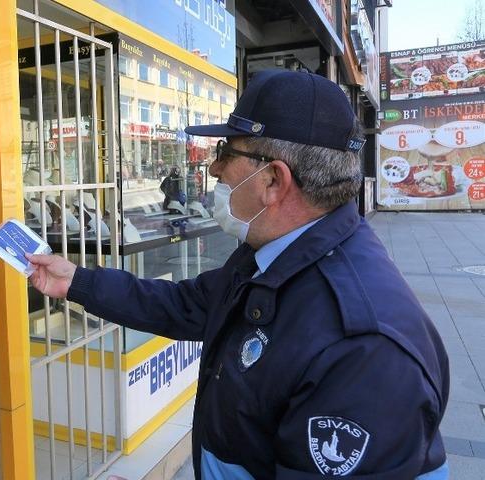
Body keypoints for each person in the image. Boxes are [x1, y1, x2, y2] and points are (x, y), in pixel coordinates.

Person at [27, 70, 449, 479]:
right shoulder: (276, 254)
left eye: (226, 153)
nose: (213, 169)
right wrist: (77, 281)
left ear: (272, 180)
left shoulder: (361, 350)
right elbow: (187, 304)